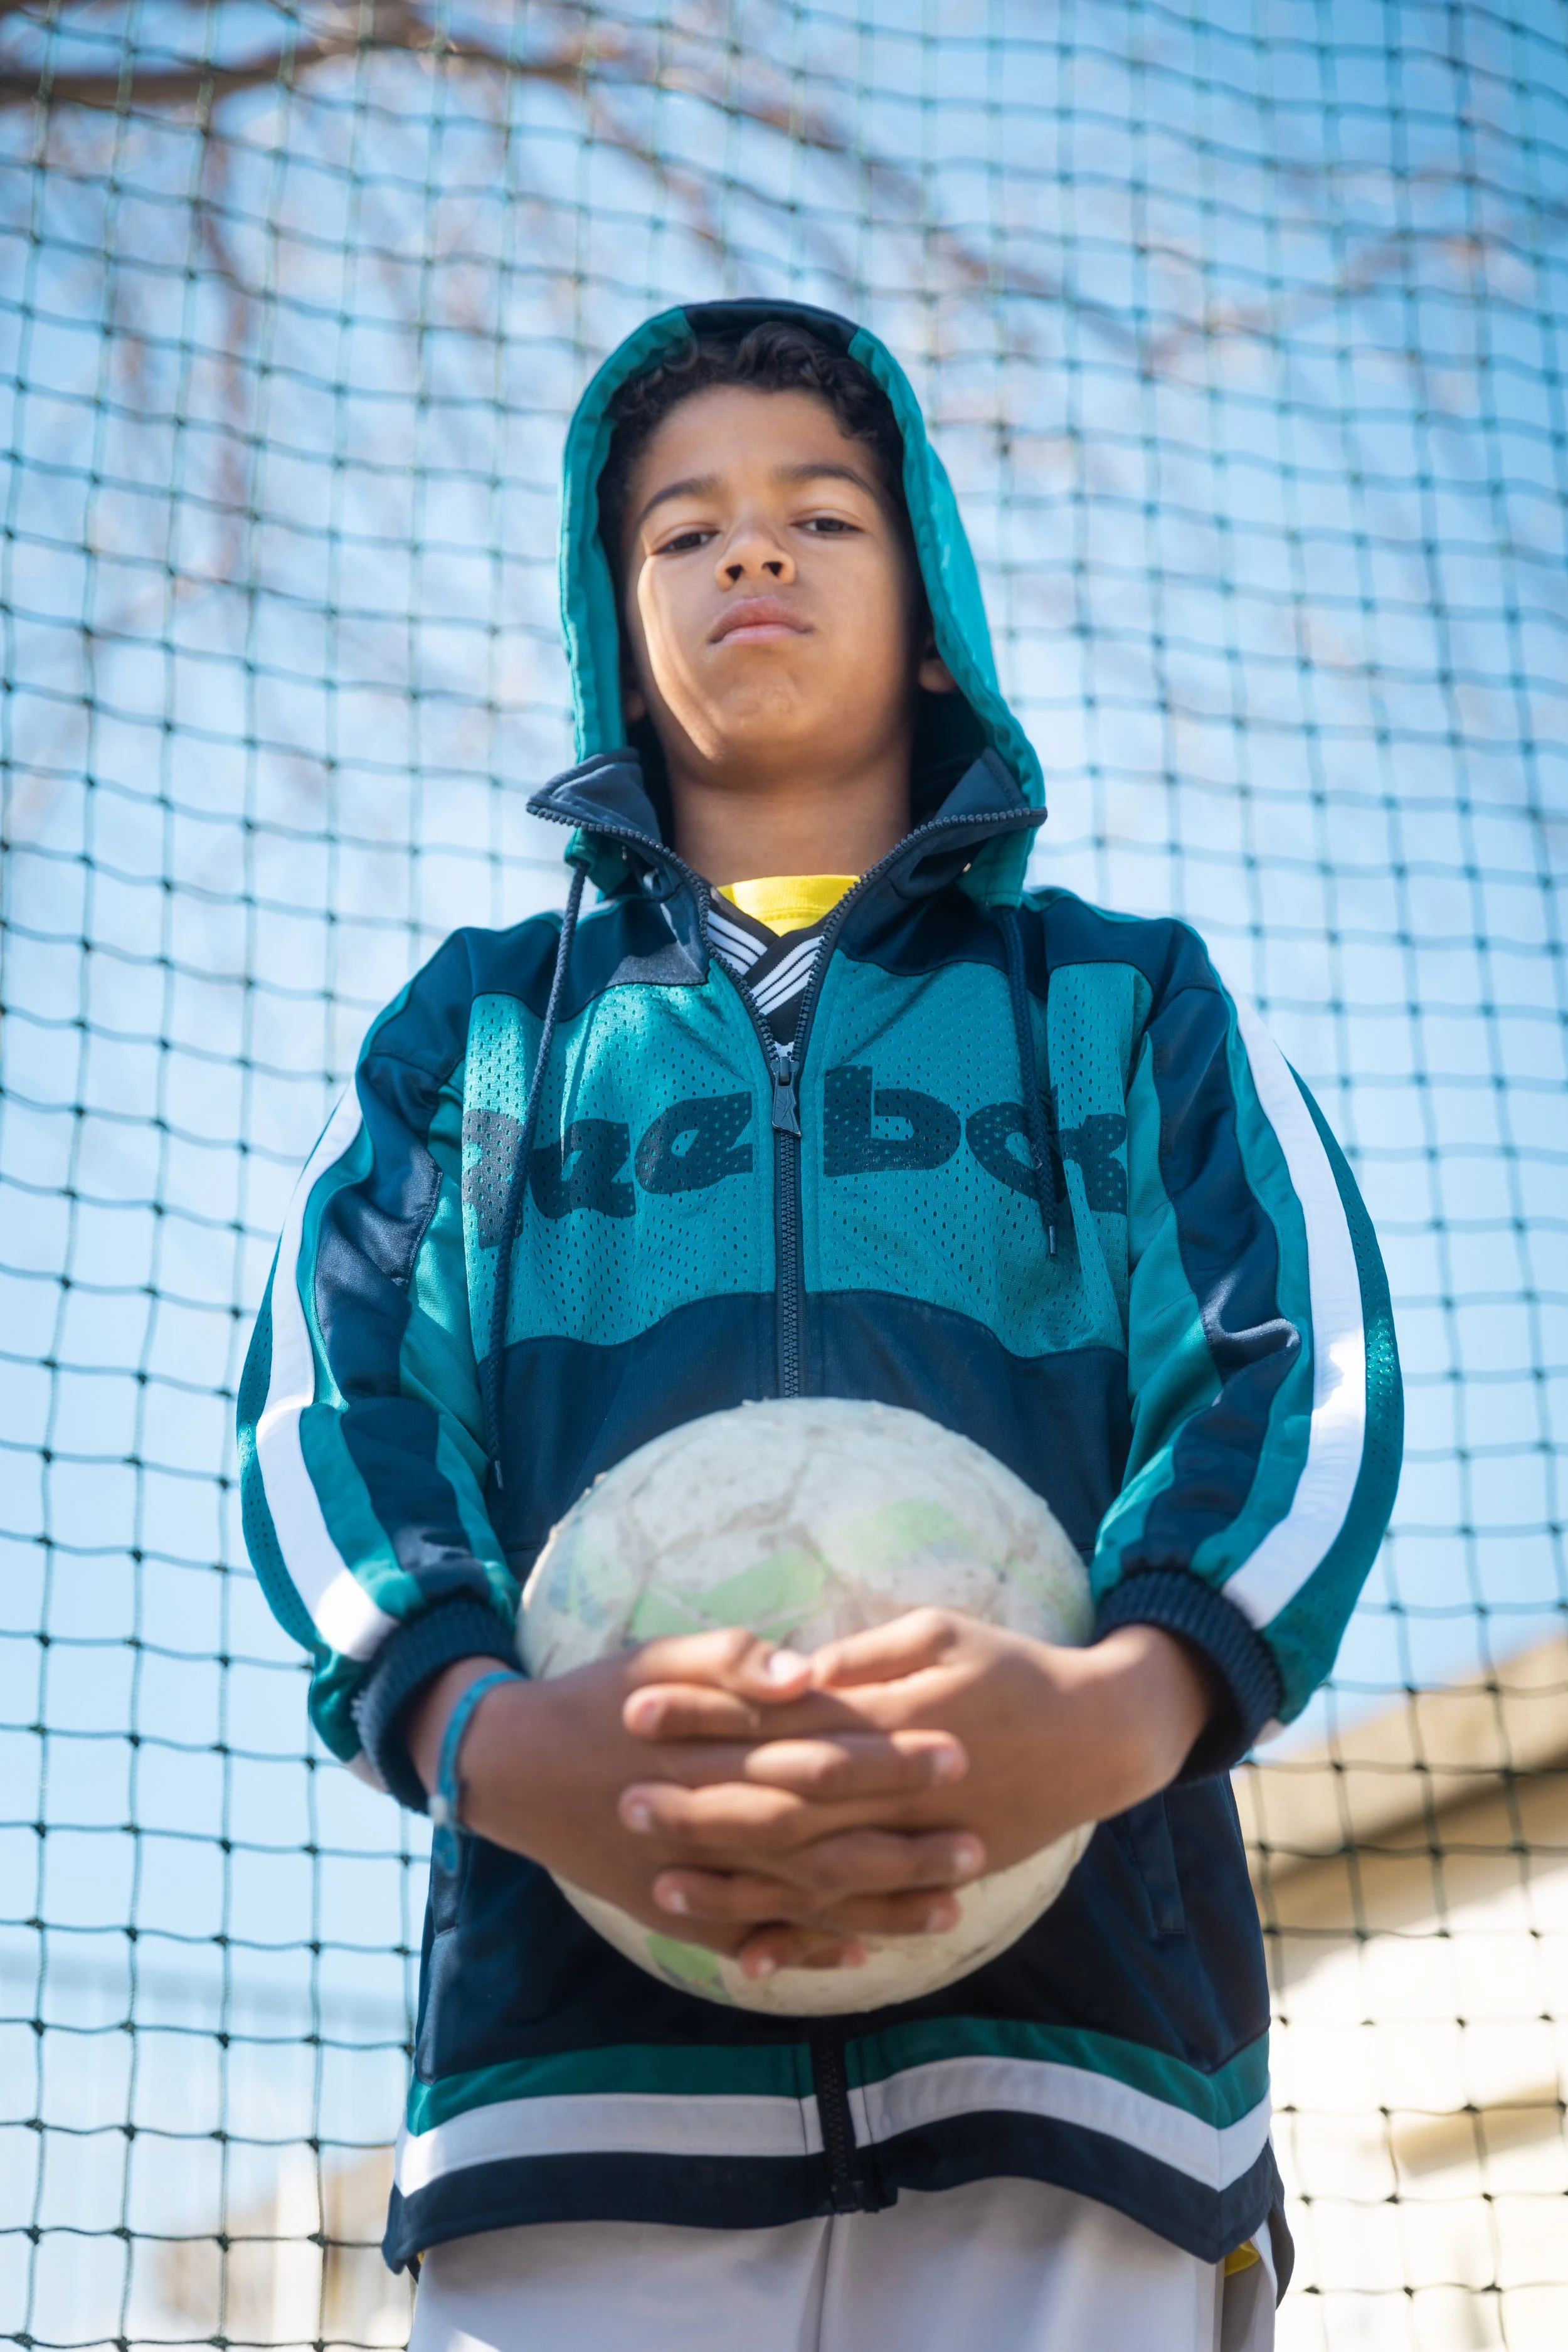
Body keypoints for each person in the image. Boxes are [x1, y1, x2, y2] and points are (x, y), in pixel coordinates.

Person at [238, 299, 1402, 2349]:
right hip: (573, 2091)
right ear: (619, 624)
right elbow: (329, 1406)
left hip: (1078, 2083)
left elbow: (1292, 1379)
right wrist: (492, 1741)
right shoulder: (486, 1033)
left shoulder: (1117, 1007)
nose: (747, 552)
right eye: (681, 530)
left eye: (818, 514)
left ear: (931, 611)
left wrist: (1120, 1710)